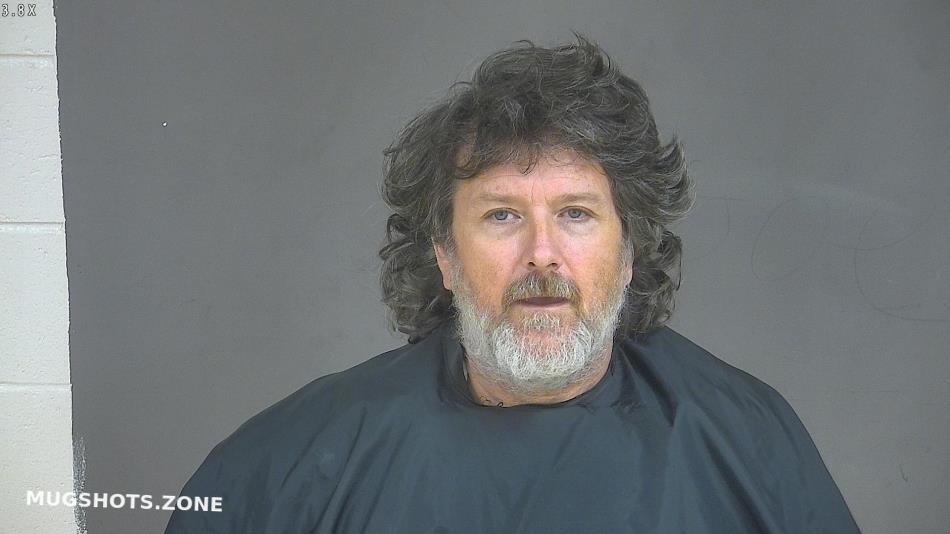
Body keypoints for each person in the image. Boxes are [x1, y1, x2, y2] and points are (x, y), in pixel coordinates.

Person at [166, 35, 860, 533]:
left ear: (629, 250)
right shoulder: (300, 459)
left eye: (576, 214)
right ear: (444, 254)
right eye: (502, 215)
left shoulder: (747, 440)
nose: (542, 254)